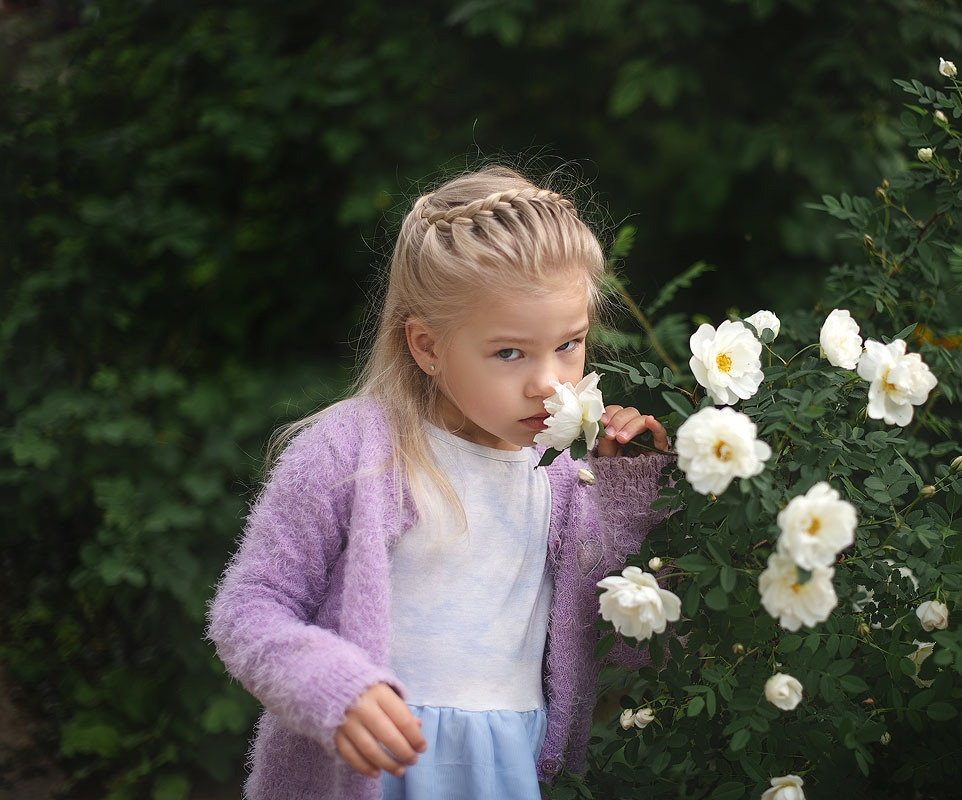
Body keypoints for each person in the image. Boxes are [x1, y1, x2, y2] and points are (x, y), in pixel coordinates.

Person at [207, 165, 672, 800]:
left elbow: (625, 651)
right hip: (373, 770)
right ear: (428, 346)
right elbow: (248, 608)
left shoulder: (566, 476)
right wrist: (334, 688)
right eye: (510, 353)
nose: (549, 381)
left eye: (569, 344)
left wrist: (625, 495)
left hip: (507, 770)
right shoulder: (353, 451)